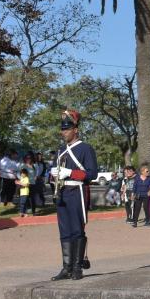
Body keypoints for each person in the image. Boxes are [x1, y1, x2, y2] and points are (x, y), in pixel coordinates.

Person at [50, 109, 98, 280]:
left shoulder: (85, 148)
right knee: (64, 231)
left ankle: (77, 267)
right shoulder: (60, 150)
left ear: (76, 129)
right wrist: (53, 175)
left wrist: (69, 172)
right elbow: (55, 173)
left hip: (77, 191)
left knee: (77, 230)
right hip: (62, 193)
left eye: (67, 129)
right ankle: (66, 267)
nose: (64, 132)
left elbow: (92, 174)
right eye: (62, 129)